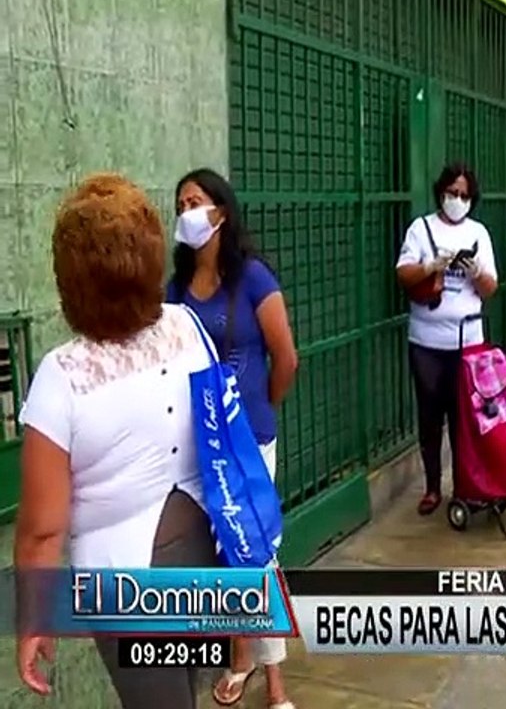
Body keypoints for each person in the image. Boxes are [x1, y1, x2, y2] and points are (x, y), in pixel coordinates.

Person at [15, 174, 225, 708]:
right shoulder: (186, 327)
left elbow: (41, 530)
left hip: (125, 586)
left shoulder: (61, 377)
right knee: (184, 693)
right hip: (206, 557)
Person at [167, 168, 299, 709]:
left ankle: (276, 686)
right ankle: (238, 657)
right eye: (179, 204)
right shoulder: (176, 289)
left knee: (254, 554)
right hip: (198, 442)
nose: (185, 212)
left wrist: (258, 410)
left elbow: (286, 357)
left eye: (195, 201)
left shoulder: (253, 279)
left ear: (220, 211)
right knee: (221, 557)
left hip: (247, 443)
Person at [396, 163, 498, 512]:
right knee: (429, 416)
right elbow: (403, 275)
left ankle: (463, 486)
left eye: (464, 194)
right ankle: (432, 487)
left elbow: (490, 288)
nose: (458, 199)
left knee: (464, 419)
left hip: (467, 342)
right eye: (452, 192)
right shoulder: (420, 229)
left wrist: (477, 272)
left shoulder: (479, 233)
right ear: (441, 192)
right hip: (426, 342)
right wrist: (430, 266)